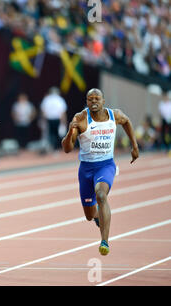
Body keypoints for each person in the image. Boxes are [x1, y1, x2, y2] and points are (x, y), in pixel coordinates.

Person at [61, 88, 139, 256]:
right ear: (87, 102)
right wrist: (69, 132)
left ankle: (104, 241)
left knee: (101, 195)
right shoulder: (80, 119)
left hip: (106, 165)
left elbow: (126, 122)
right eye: (90, 99)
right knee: (89, 215)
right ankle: (97, 217)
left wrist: (135, 145)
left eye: (97, 99)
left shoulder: (114, 115)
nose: (94, 102)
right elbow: (67, 149)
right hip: (86, 169)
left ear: (103, 101)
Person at [40, 87, 67, 151]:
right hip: (57, 119)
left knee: (50, 134)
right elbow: (63, 112)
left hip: (49, 119)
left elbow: (43, 111)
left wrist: (43, 119)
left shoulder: (46, 99)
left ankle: (51, 147)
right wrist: (64, 121)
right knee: (56, 134)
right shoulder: (60, 99)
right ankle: (56, 148)